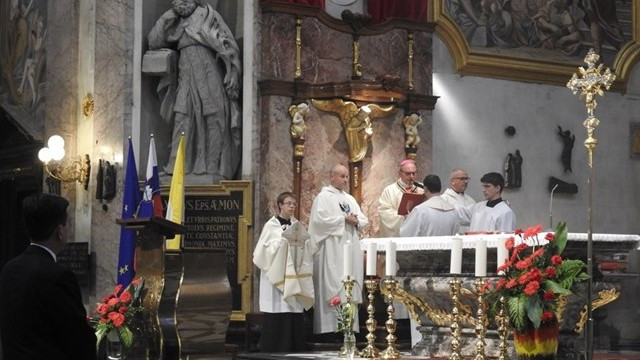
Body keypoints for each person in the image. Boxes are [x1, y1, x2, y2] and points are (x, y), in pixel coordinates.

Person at [148, 0, 241, 181]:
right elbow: (153, 41)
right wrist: (168, 17)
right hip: (186, 76)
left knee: (214, 118)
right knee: (182, 118)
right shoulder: (173, 20)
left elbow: (229, 46)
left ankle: (212, 166)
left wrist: (233, 73)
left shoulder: (208, 16)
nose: (181, 1)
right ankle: (176, 166)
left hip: (209, 73)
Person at [0, 193, 96, 360]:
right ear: (59, 231)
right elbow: (79, 342)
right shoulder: (59, 276)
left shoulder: (9, 269)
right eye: (69, 223)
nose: (69, 229)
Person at [399, 175, 459, 347]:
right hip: (447, 266)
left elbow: (406, 236)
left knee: (420, 305)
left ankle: (421, 344)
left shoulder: (421, 210)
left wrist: (407, 218)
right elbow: (456, 235)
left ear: (425, 189)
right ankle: (444, 344)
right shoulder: (452, 210)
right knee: (443, 307)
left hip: (422, 266)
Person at [310, 164, 368, 334]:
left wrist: (356, 221)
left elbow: (364, 220)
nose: (345, 180)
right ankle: (329, 331)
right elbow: (319, 222)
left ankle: (348, 329)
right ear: (331, 177)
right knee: (334, 284)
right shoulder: (323, 197)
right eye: (341, 176)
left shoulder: (349, 199)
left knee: (349, 287)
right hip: (332, 250)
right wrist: (343, 219)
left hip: (349, 248)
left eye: (346, 176)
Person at [253, 192, 313, 352]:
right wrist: (282, 240)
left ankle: (294, 347)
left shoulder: (297, 225)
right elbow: (263, 250)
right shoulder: (271, 225)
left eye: (294, 203)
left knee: (292, 311)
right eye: (288, 203)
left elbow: (306, 248)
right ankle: (274, 347)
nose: (292, 206)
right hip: (276, 276)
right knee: (278, 312)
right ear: (280, 205)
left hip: (293, 275)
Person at [378, 159, 423, 238]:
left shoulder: (422, 188)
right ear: (400, 173)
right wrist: (403, 217)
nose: (411, 177)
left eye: (414, 173)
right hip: (399, 234)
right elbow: (384, 213)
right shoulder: (390, 190)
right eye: (408, 174)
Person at [441, 168, 476, 232]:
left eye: (466, 179)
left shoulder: (471, 201)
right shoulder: (444, 200)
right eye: (462, 179)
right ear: (453, 181)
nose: (466, 182)